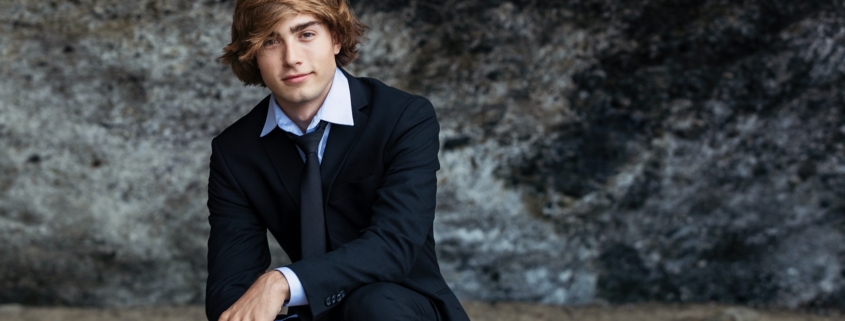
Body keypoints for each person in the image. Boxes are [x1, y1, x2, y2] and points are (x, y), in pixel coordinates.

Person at [205, 0, 470, 320]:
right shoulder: (235, 151)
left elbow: (393, 247)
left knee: (374, 303)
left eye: (305, 34)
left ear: (336, 38)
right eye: (270, 41)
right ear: (252, 54)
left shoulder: (403, 117)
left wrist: (281, 282)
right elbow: (229, 289)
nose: (292, 58)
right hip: (314, 315)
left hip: (402, 306)